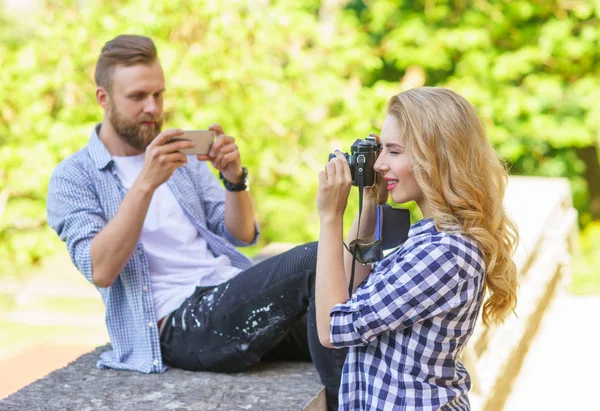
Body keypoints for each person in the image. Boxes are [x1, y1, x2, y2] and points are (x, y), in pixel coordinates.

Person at [46, 34, 345, 410]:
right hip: (178, 324)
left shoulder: (181, 158)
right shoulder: (74, 177)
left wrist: (234, 179)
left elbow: (239, 235)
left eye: (159, 95)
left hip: (229, 295)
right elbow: (100, 269)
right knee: (318, 258)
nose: (152, 108)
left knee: (350, 315)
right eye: (138, 97)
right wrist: (145, 183)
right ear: (103, 99)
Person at [315, 87, 519, 410]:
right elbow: (349, 297)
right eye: (380, 151)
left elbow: (331, 327)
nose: (380, 164)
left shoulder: (445, 254)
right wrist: (370, 204)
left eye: (394, 152)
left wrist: (330, 218)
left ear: (435, 159)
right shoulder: (429, 239)